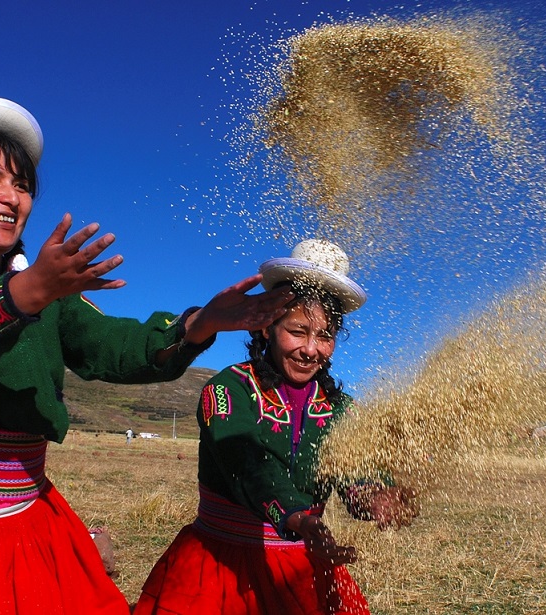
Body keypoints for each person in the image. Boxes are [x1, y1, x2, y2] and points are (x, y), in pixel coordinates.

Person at [0, 95, 292, 615]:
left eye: (23, 185)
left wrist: (200, 323)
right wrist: (24, 295)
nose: (12, 197)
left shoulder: (49, 297)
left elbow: (116, 347)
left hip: (27, 510)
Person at [135, 240, 420, 615]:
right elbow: (246, 461)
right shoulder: (229, 389)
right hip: (219, 565)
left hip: (303, 568)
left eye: (325, 336)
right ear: (267, 327)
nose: (311, 350)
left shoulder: (340, 409)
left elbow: (354, 468)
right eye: (299, 331)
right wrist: (295, 516)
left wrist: (374, 497)